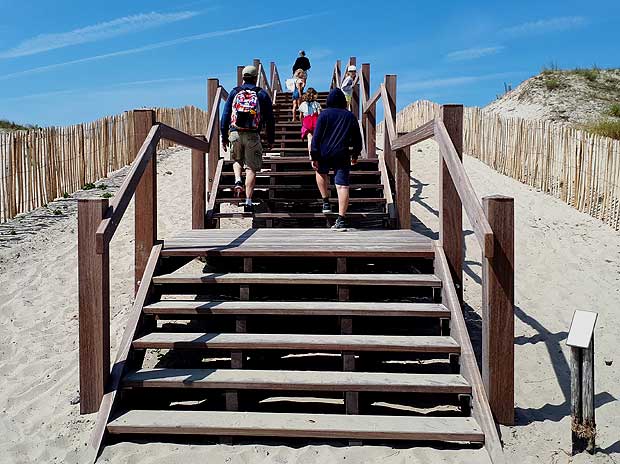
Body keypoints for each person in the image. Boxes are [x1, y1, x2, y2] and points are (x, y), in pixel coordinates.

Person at [221, 65, 275, 212]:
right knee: (251, 168)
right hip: (253, 134)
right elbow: (270, 119)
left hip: (235, 132)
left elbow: (225, 115)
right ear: (256, 77)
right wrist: (271, 139)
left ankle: (238, 179)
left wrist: (223, 136)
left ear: (243, 77)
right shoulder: (261, 94)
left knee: (237, 160)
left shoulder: (234, 92)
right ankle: (248, 202)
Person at [310, 88, 362, 230]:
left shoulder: (324, 115)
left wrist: (314, 155)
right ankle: (341, 219)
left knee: (321, 173)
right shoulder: (349, 116)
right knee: (342, 185)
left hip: (324, 153)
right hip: (342, 153)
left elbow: (316, 137)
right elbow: (357, 139)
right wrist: (355, 154)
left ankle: (326, 201)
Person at [299, 88, 322, 155]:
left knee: (309, 139)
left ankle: (310, 154)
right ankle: (317, 153)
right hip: (315, 122)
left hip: (306, 122)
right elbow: (319, 114)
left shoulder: (303, 104)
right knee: (316, 139)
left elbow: (300, 116)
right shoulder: (317, 104)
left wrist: (302, 124)